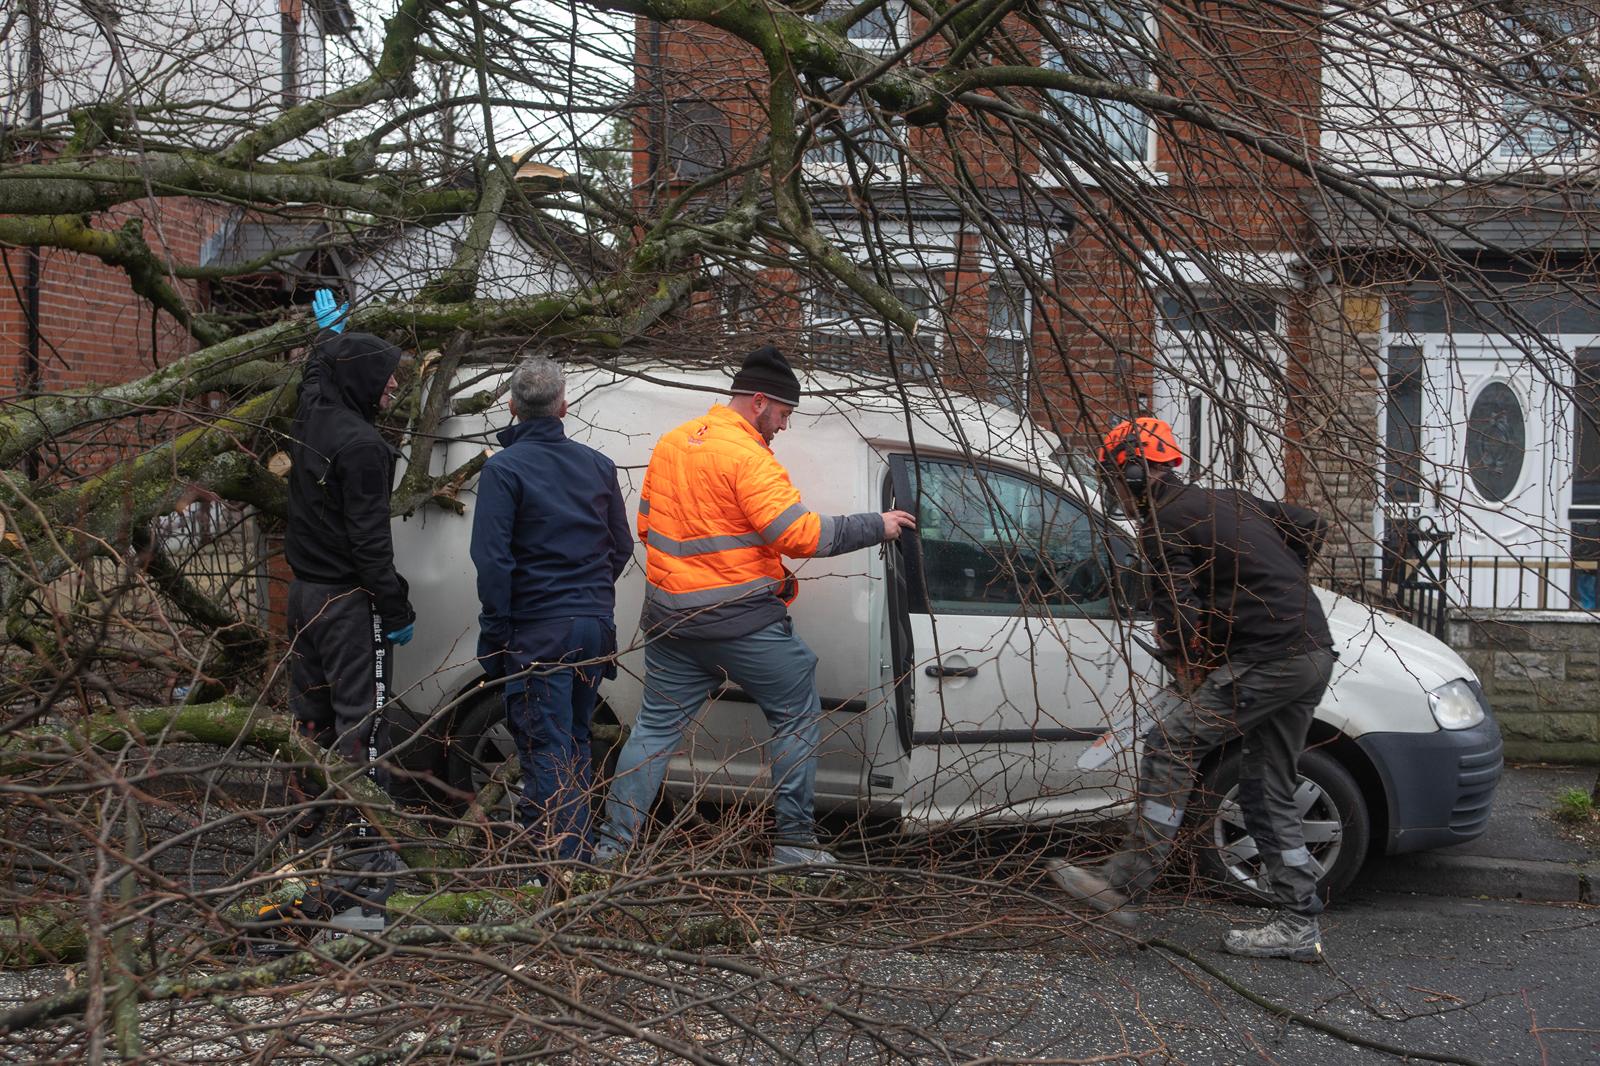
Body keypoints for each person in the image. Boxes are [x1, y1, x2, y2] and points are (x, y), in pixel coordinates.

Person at [595, 344, 917, 867]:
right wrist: (876, 525)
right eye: (785, 414)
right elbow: (799, 534)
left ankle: (611, 850)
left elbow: (648, 525)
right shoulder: (746, 456)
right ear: (760, 402)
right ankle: (793, 846)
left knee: (654, 731)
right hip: (739, 622)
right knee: (795, 711)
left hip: (670, 621)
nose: (784, 427)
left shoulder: (674, 443)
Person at [1048, 416, 1337, 963]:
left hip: (1269, 659)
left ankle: (1125, 884)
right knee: (1265, 786)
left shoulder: (1163, 527)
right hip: (1310, 652)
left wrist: (1191, 662)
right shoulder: (1232, 500)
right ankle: (1299, 923)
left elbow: (1177, 618)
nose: (1117, 494)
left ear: (1134, 475)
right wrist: (1275, 588)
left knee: (1169, 743)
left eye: (1114, 480)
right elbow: (1310, 523)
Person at [470, 356, 632, 867]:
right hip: (592, 630)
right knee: (574, 742)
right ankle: (574, 859)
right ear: (563, 405)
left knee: (546, 748)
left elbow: (492, 561)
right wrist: (588, 595)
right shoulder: (598, 466)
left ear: (513, 407)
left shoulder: (503, 469)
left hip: (540, 630)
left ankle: (556, 870)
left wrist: (495, 634)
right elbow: (621, 547)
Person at [284, 290, 414, 862]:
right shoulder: (364, 448)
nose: (393, 389)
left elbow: (316, 377)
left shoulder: (313, 415)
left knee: (310, 712)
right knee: (360, 719)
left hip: (302, 597)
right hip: (342, 603)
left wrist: (330, 340)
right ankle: (365, 848)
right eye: (386, 379)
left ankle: (308, 819)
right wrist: (395, 608)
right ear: (362, 380)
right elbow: (369, 543)